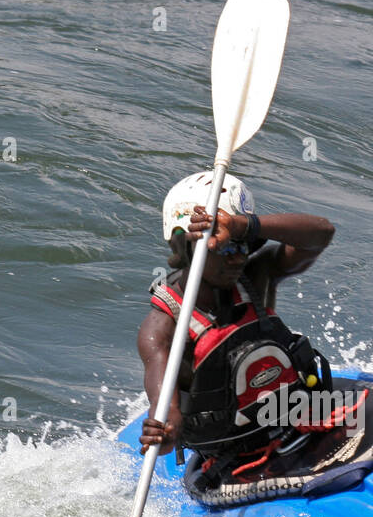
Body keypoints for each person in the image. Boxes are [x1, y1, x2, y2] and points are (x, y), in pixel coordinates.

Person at [137, 172, 339, 480]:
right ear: (184, 248)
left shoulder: (258, 275)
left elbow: (322, 233)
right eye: (226, 248)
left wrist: (242, 226)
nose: (238, 257)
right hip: (233, 455)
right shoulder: (162, 328)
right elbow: (169, 414)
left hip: (297, 419)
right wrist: (164, 435)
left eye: (243, 245)